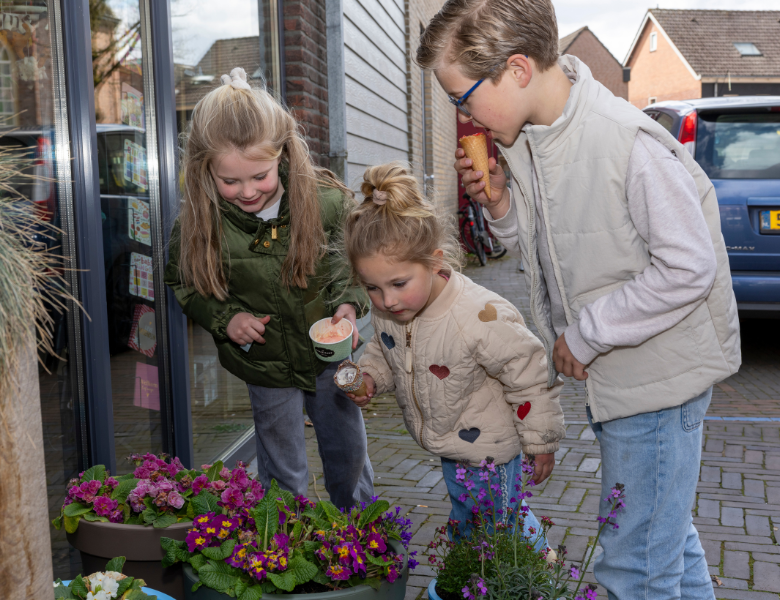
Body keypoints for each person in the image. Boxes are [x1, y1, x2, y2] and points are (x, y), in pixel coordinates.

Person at [416, 1, 741, 598]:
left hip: (658, 387)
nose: (462, 116)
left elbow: (689, 267)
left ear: (515, 70)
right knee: (665, 543)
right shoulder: (538, 140)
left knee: (633, 565)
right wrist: (500, 209)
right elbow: (546, 246)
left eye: (462, 98)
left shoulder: (625, 143)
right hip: (625, 383)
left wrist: (586, 334)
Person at [164, 67, 374, 509]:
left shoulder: (327, 201)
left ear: (282, 154)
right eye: (230, 181)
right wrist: (227, 320)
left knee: (348, 452)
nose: (247, 192)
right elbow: (184, 281)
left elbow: (351, 267)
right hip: (265, 364)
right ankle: (284, 548)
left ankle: (363, 535)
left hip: (329, 359)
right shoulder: (200, 223)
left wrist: (349, 309)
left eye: (260, 176)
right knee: (281, 468)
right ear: (205, 170)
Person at [342, 162, 565, 548]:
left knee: (489, 531)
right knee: (483, 521)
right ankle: (518, 571)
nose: (386, 300)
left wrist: (541, 440)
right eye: (372, 288)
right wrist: (370, 377)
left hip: (491, 451)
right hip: (453, 445)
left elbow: (530, 370)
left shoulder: (477, 315)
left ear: (435, 261)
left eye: (398, 283)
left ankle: (523, 579)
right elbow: (386, 348)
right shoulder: (392, 312)